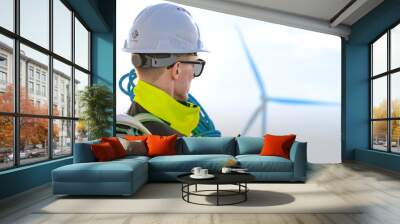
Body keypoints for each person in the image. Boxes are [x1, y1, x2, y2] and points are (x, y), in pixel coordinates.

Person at [120, 3, 208, 137]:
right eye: (195, 66)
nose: (193, 76)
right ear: (177, 69)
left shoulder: (130, 125)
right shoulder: (174, 145)